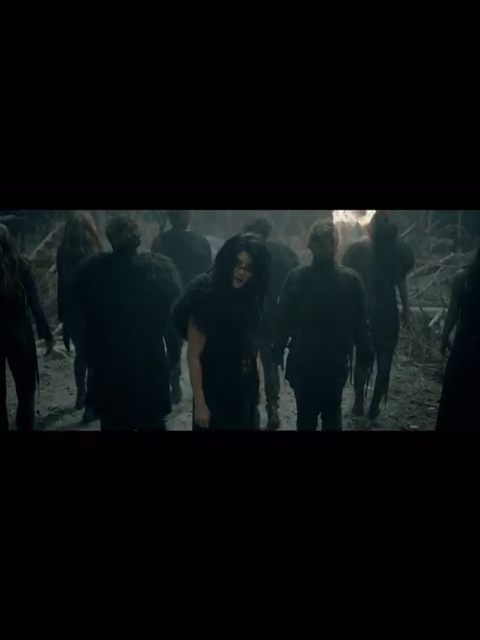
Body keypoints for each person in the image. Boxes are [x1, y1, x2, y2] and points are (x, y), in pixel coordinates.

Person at [73, 215, 181, 431]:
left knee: (114, 423)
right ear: (138, 239)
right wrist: (174, 354)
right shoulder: (160, 273)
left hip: (110, 366)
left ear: (110, 238)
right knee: (152, 422)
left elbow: (86, 324)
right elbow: (169, 322)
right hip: (149, 363)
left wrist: (89, 357)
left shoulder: (92, 274)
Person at [276, 219, 373, 431]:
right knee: (332, 414)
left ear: (310, 246)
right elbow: (362, 326)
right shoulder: (351, 280)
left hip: (303, 364)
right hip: (335, 365)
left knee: (305, 418)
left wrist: (277, 352)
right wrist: (365, 357)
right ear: (337, 246)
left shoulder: (296, 278)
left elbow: (282, 321)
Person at [172, 233, 271, 431]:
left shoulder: (250, 296)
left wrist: (258, 385)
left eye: (248, 268)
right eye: (238, 264)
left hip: (245, 389)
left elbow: (252, 344)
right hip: (214, 389)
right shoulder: (204, 294)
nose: (241, 273)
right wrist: (200, 404)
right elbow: (194, 355)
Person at [342, 211, 415, 420]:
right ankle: (373, 407)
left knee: (363, 357)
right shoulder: (399, 251)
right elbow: (401, 282)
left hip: (365, 310)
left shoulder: (357, 250)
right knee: (385, 360)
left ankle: (358, 403)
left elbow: (349, 282)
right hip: (387, 311)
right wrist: (406, 309)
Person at [242, 215, 300, 429]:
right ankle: (272, 407)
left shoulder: (246, 254)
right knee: (270, 363)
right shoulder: (284, 252)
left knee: (247, 362)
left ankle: (250, 409)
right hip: (274, 314)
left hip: (250, 315)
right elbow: (294, 281)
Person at [152, 210, 213, 404]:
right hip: (195, 298)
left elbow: (155, 271)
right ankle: (202, 385)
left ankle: (175, 381)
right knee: (200, 343)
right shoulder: (201, 241)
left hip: (169, 298)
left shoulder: (160, 241)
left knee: (173, 344)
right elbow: (209, 272)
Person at [0, 224, 54, 431]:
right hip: (19, 332)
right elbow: (34, 303)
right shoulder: (21, 264)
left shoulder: (21, 265)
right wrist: (45, 332)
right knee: (26, 390)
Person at [57, 211, 104, 423]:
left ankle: (81, 396)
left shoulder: (63, 252)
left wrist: (63, 316)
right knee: (94, 357)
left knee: (81, 354)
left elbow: (61, 287)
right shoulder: (96, 251)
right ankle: (91, 407)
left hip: (72, 312)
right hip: (93, 311)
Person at [436, 247, 480, 430]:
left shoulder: (463, 277)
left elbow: (452, 313)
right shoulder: (463, 278)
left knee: (454, 400)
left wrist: (444, 338)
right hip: (467, 347)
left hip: (464, 348)